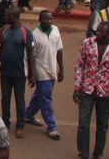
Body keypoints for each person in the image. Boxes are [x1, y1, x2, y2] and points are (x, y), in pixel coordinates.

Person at [74, 21, 109, 159]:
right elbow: (79, 65)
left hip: (105, 91)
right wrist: (77, 87)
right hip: (87, 89)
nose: (97, 33)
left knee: (103, 125)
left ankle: (98, 153)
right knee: (83, 123)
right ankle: (83, 153)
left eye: (101, 31)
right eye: (97, 30)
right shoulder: (87, 43)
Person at [0, 5, 34, 139]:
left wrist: (32, 75)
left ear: (14, 17)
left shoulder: (26, 32)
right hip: (5, 72)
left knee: (19, 100)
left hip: (20, 73)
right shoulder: (4, 29)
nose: (4, 17)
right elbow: (1, 50)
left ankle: (20, 125)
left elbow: (30, 55)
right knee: (5, 98)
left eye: (7, 15)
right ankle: (5, 124)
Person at [23, 9, 63, 141]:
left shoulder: (55, 30)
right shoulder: (34, 35)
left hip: (52, 68)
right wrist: (32, 74)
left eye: (50, 19)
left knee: (40, 95)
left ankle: (28, 114)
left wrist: (61, 69)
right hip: (40, 69)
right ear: (39, 20)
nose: (48, 21)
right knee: (46, 98)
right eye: (45, 19)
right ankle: (52, 126)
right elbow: (30, 56)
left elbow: (59, 50)